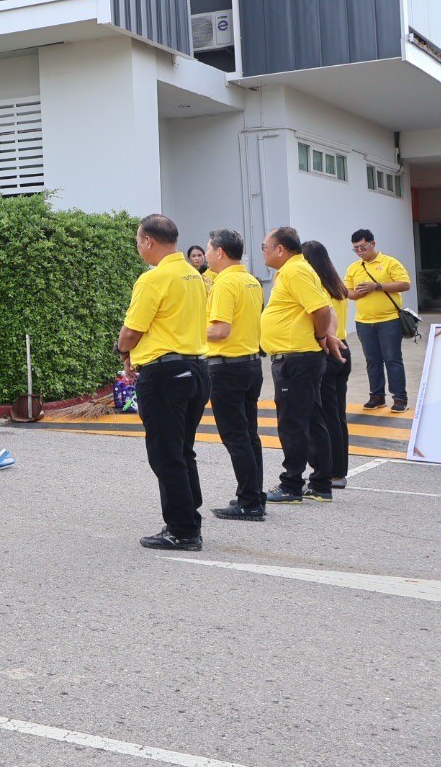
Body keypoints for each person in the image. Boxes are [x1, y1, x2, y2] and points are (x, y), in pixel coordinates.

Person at [117, 214, 210, 551]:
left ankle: (182, 530)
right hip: (196, 369)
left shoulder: (153, 279)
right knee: (183, 450)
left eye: (138, 241)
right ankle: (190, 519)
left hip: (165, 375)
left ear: (149, 241)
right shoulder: (194, 275)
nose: (138, 247)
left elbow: (131, 331)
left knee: (165, 454)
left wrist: (123, 352)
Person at [261, 227, 341, 504]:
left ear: (280, 249)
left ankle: (292, 484)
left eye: (265, 247)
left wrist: (320, 335)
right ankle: (320, 483)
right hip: (299, 358)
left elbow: (321, 310)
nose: (263, 252)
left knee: (292, 423)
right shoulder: (295, 270)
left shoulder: (295, 271)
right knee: (311, 419)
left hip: (296, 358)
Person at [204, 229, 266, 521]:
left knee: (236, 436)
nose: (206, 255)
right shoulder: (251, 280)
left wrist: (190, 329)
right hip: (250, 364)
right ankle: (253, 495)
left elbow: (220, 330)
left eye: (208, 250)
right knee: (249, 434)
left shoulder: (225, 283)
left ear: (219, 252)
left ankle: (249, 502)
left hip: (227, 367)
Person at [303, 239, 353, 489]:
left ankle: (332, 472)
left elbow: (321, 320)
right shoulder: (338, 286)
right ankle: (339, 471)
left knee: (325, 417)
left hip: (328, 351)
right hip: (344, 348)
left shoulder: (317, 289)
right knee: (337, 415)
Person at [345, 229, 413, 411]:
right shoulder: (353, 268)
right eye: (356, 249)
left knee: (392, 359)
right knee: (372, 360)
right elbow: (347, 292)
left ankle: (400, 399)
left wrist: (377, 286)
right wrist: (356, 293)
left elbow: (405, 284)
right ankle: (377, 397)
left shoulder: (390, 262)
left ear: (373, 244)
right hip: (364, 322)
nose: (360, 251)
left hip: (389, 320)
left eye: (362, 247)